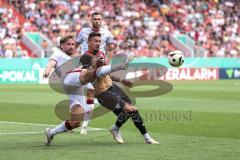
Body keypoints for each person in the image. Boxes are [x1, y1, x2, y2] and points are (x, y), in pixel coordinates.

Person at [43, 35, 133, 146]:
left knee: (76, 122)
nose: (71, 46)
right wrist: (47, 71)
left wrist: (96, 66)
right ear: (62, 45)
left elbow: (97, 72)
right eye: (68, 44)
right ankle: (120, 66)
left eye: (72, 44)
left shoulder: (76, 56)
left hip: (75, 87)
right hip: (68, 78)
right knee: (91, 73)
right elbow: (51, 63)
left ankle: (51, 132)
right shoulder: (58, 54)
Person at [81, 34, 159, 144]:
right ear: (89, 42)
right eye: (95, 41)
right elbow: (86, 77)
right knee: (131, 109)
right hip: (102, 93)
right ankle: (146, 138)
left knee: (130, 111)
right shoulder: (85, 57)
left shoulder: (101, 54)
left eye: (99, 41)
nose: (98, 43)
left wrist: (122, 80)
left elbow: (107, 73)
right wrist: (95, 67)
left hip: (113, 87)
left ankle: (117, 129)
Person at [75, 12, 117, 134]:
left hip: (99, 66)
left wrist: (107, 63)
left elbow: (111, 49)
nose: (97, 21)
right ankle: (79, 122)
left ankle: (83, 125)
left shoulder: (107, 33)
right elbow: (76, 46)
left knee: (92, 96)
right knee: (88, 96)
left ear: (102, 20)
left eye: (99, 19)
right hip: (85, 66)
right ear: (91, 19)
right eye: (95, 19)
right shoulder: (83, 31)